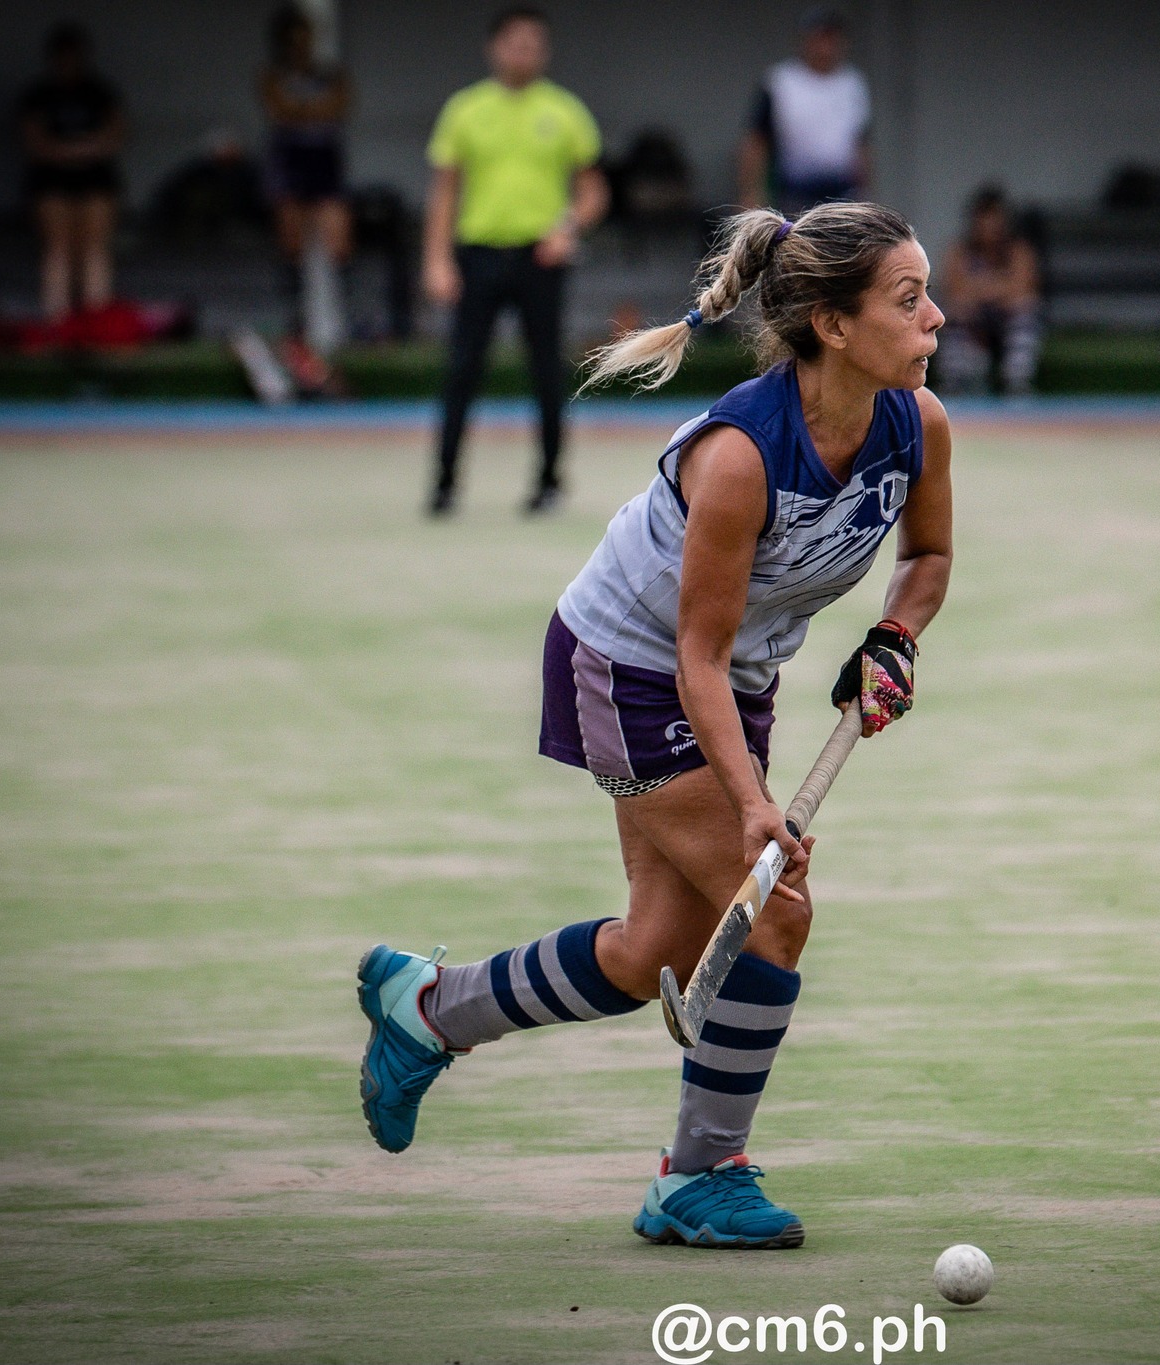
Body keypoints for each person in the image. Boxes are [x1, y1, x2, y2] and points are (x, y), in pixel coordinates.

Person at [354, 202, 952, 1250]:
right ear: (832, 326)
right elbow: (695, 657)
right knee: (775, 914)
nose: (936, 317)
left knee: (655, 956)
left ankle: (429, 1010)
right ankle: (698, 1174)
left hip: (733, 677)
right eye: (908, 301)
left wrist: (894, 636)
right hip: (632, 671)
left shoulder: (916, 422)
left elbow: (927, 557)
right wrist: (755, 804)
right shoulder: (739, 457)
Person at [423, 6, 609, 518]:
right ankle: (443, 483)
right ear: (495, 47)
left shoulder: (565, 110)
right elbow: (443, 193)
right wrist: (436, 261)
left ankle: (548, 481)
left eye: (535, 44)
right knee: (462, 369)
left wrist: (566, 227)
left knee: (547, 369)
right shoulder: (464, 110)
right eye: (516, 43)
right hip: (478, 254)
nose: (525, 52)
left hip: (540, 258)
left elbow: (593, 191)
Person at [261, 4, 353, 359]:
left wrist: (301, 111)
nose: (301, 46)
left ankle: (343, 326)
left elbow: (339, 105)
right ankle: (295, 326)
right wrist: (309, 111)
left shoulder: (330, 74)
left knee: (338, 243)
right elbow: (279, 109)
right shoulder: (273, 74)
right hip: (289, 163)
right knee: (292, 246)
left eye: (306, 38)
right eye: (293, 39)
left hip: (324, 163)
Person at [19, 23, 125, 322]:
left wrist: (76, 151)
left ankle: (96, 322)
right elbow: (34, 141)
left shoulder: (100, 92)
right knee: (58, 250)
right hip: (51, 181)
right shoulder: (39, 95)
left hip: (96, 180)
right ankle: (57, 322)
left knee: (94, 250)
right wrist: (75, 151)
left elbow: (115, 135)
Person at [738, 8, 870, 214]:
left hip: (841, 190)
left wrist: (865, 194)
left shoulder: (852, 84)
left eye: (831, 39)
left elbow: (860, 143)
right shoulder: (781, 82)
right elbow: (757, 142)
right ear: (805, 40)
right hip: (795, 189)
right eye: (819, 38)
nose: (825, 47)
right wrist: (750, 193)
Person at [939, 185, 1041, 394]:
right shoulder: (960, 253)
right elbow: (956, 292)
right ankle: (958, 381)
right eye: (984, 218)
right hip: (974, 320)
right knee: (953, 313)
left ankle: (1017, 383)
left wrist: (980, 288)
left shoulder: (1019, 251)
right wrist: (998, 287)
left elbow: (1022, 290)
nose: (989, 226)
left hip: (1007, 320)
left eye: (995, 218)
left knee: (1026, 311)